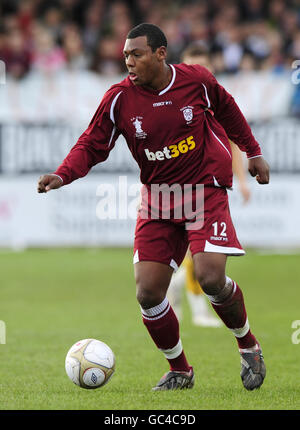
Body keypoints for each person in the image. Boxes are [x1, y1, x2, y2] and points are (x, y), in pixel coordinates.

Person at [37, 23, 269, 391]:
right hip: (158, 198)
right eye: (126, 55)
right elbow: (91, 144)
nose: (129, 62)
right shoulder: (119, 98)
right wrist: (63, 175)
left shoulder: (196, 81)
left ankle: (247, 344)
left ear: (161, 54)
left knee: (210, 278)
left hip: (203, 189)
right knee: (148, 292)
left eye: (137, 54)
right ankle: (180, 369)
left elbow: (228, 110)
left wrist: (253, 152)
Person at [167, 43, 251, 328]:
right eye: (193, 66)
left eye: (204, 66)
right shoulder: (173, 100)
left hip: (211, 187)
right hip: (177, 188)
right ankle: (197, 308)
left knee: (199, 256)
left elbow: (232, 143)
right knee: (197, 254)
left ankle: (178, 288)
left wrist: (241, 181)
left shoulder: (217, 99)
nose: (199, 71)